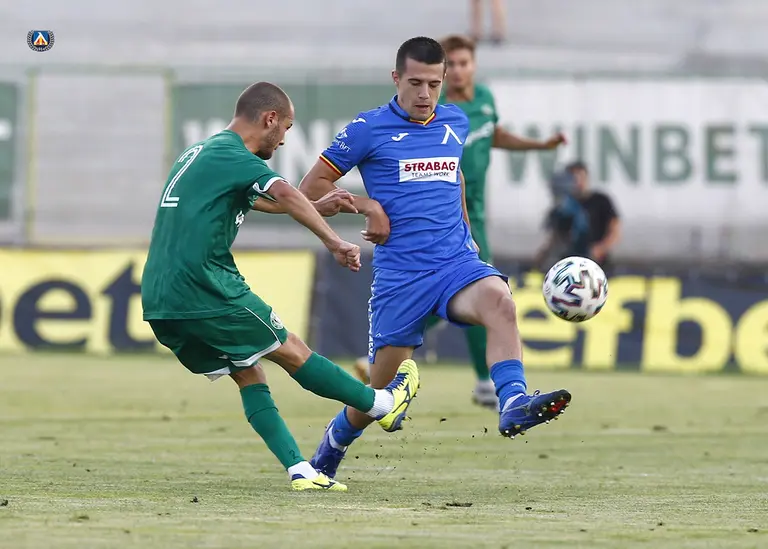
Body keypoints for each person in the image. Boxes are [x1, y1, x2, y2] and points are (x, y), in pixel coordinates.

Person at [299, 37, 571, 480]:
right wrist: (368, 206)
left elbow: (455, 176)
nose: (425, 94)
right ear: (396, 78)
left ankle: (513, 401)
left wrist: (469, 237)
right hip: (401, 277)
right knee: (377, 393)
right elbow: (309, 189)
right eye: (415, 83)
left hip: (454, 263)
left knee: (500, 301)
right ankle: (333, 444)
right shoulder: (368, 128)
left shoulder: (455, 120)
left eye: (433, 83)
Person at [141, 82, 420, 493]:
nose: (285, 138)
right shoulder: (234, 154)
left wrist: (315, 207)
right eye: (286, 128)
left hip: (160, 296)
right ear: (269, 119)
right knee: (290, 349)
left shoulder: (201, 152)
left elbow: (251, 200)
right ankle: (382, 404)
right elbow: (285, 192)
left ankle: (300, 470)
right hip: (204, 284)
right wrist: (334, 241)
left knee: (248, 372)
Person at [352, 34, 566, 410]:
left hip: (470, 217)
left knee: (491, 299)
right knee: (480, 298)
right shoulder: (424, 114)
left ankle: (501, 391)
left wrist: (539, 146)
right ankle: (472, 379)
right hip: (432, 230)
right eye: (453, 65)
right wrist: (367, 206)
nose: (459, 72)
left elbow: (486, 142)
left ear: (471, 66)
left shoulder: (479, 103)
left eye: (465, 63)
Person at [567, 161, 621, 272]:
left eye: (580, 177)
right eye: (573, 179)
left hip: (598, 263)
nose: (577, 182)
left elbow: (615, 230)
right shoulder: (566, 203)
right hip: (571, 263)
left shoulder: (601, 200)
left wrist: (601, 248)